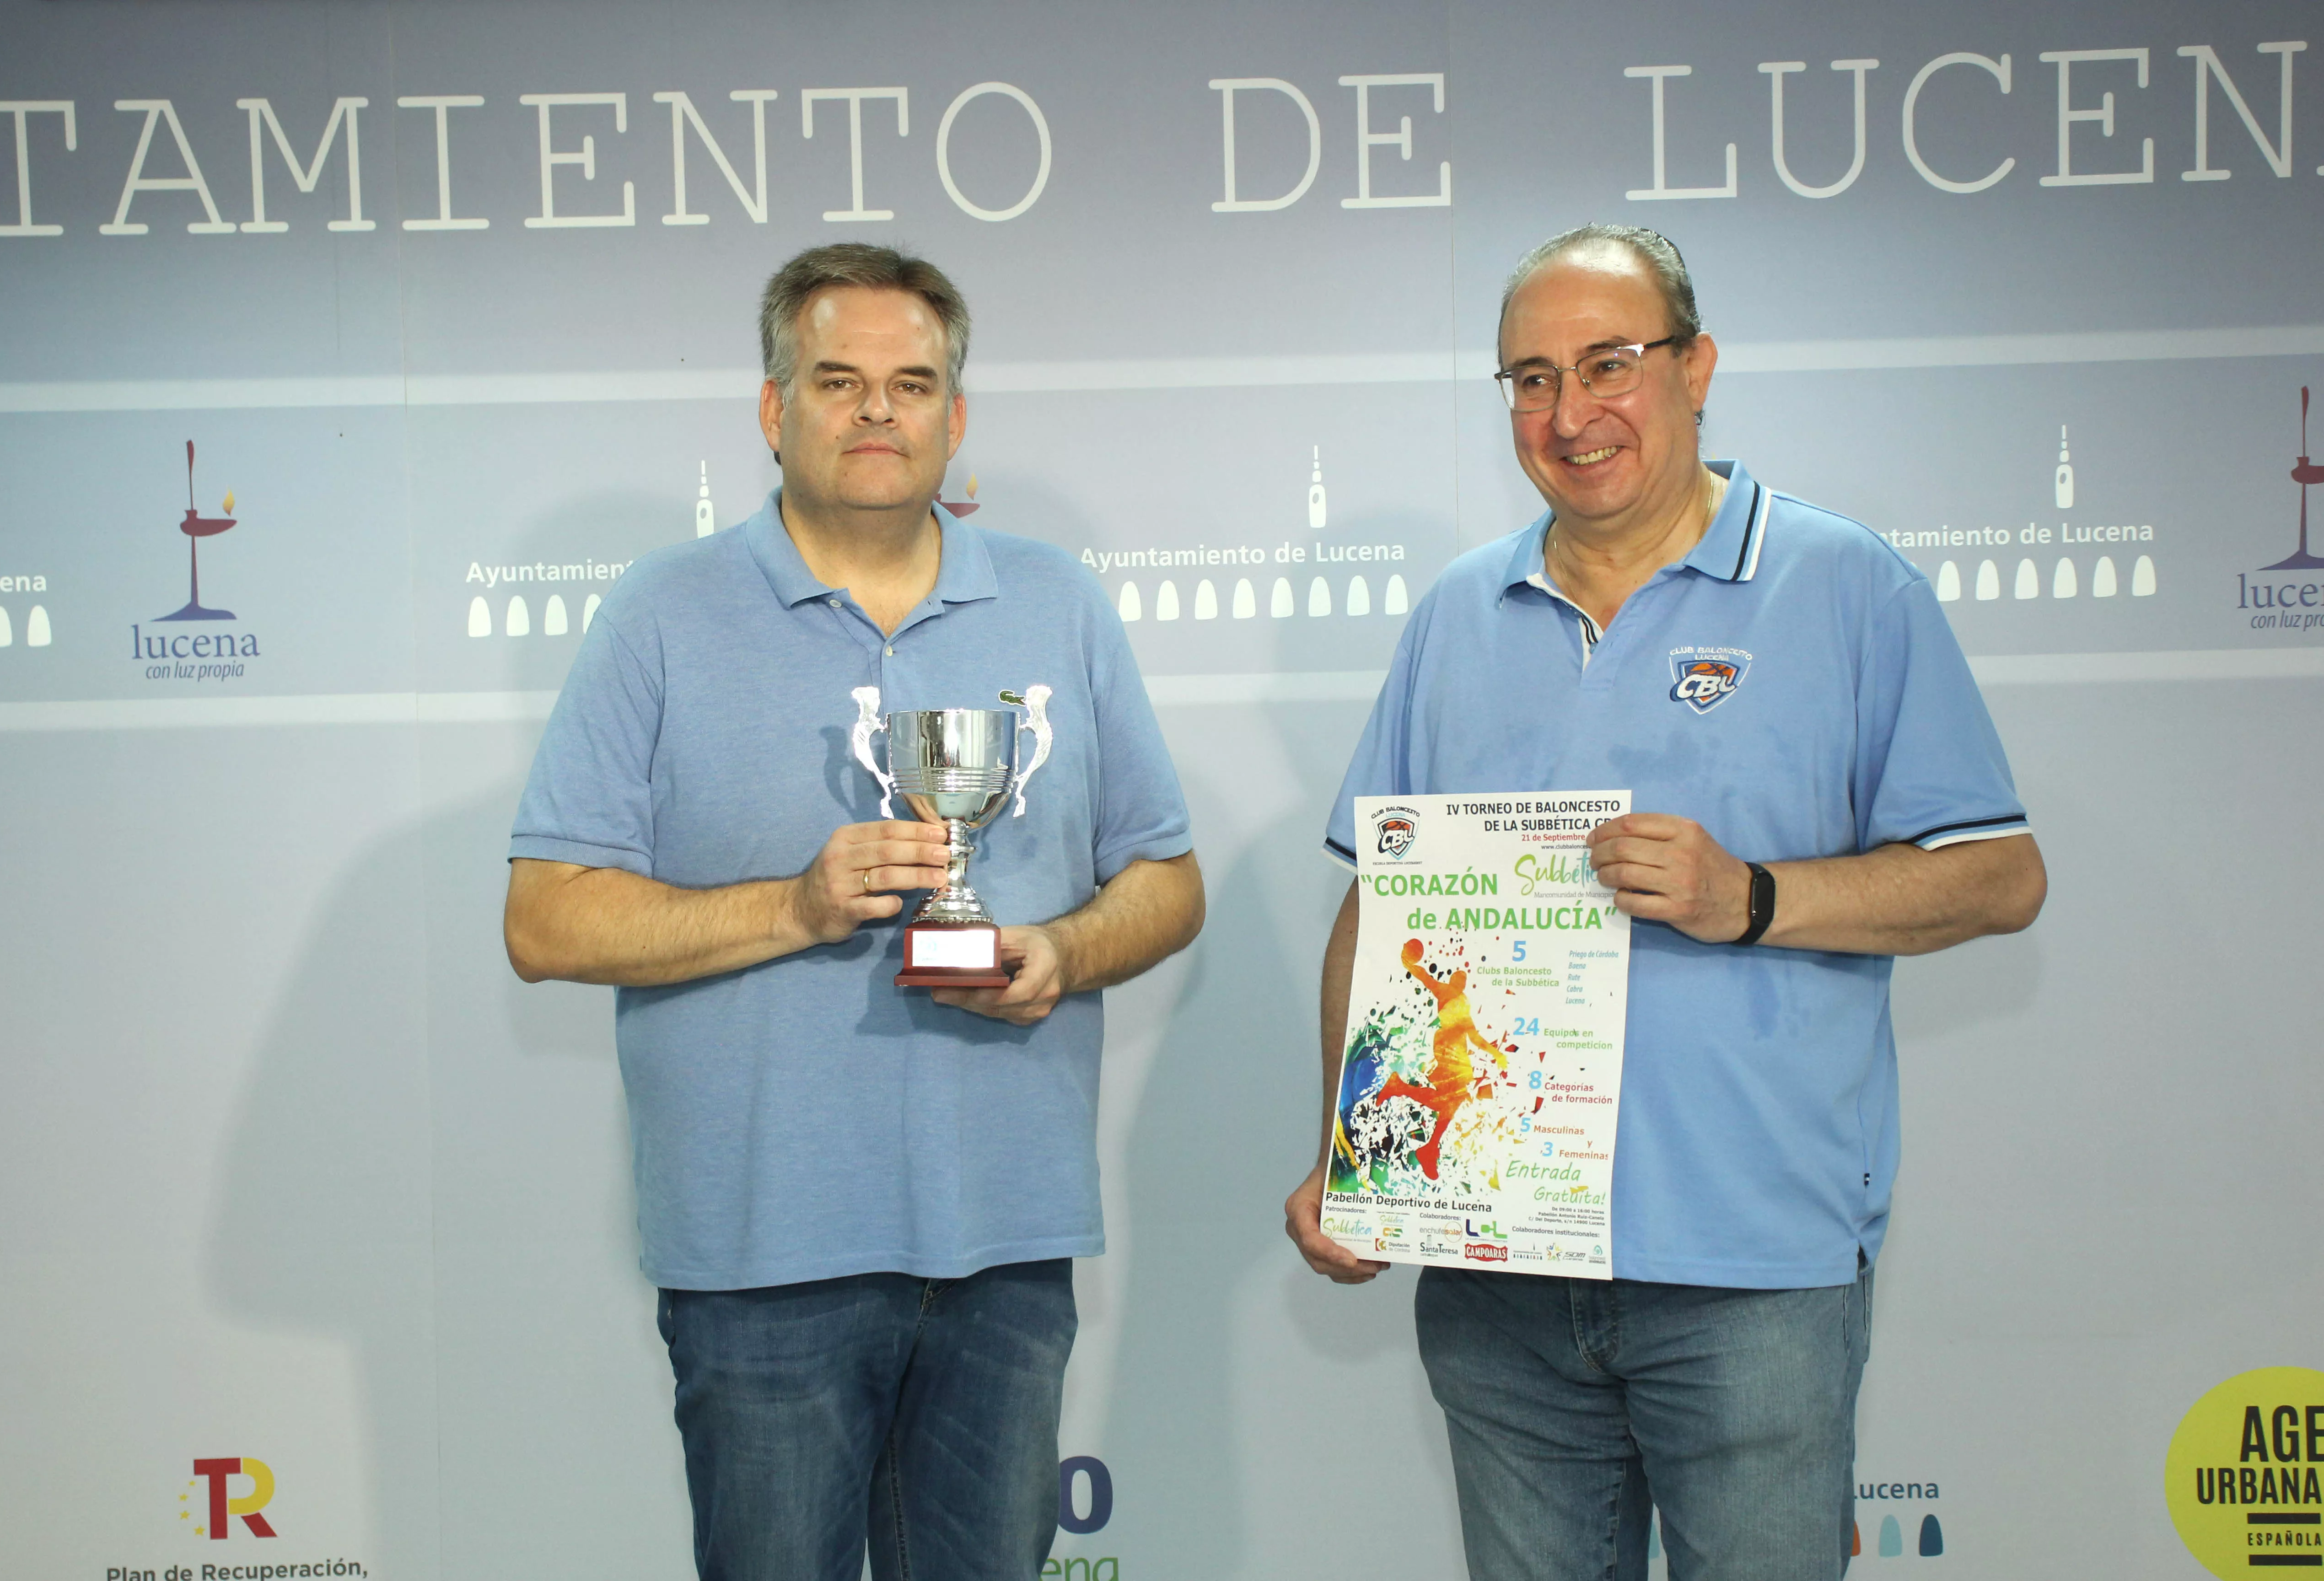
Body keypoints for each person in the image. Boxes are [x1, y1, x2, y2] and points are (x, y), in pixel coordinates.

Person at [1284, 223, 2046, 1581]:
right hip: (1499, 1270)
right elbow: (1377, 913)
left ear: (1697, 369)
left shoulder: (1846, 586)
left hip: (1748, 1272)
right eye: (1529, 378)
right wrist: (1361, 1157)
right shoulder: (1460, 613)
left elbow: (1998, 876)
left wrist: (1749, 895)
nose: (1570, 415)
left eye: (1609, 366)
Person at [504, 242, 1205, 1581]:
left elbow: (1167, 884)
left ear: (956, 414)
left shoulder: (1057, 604)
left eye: (912, 382)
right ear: (775, 411)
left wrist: (1060, 951)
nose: (878, 410)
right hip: (765, 1257)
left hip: (1005, 1242)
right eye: (839, 380)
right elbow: (546, 921)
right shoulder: (659, 614)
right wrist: (798, 905)